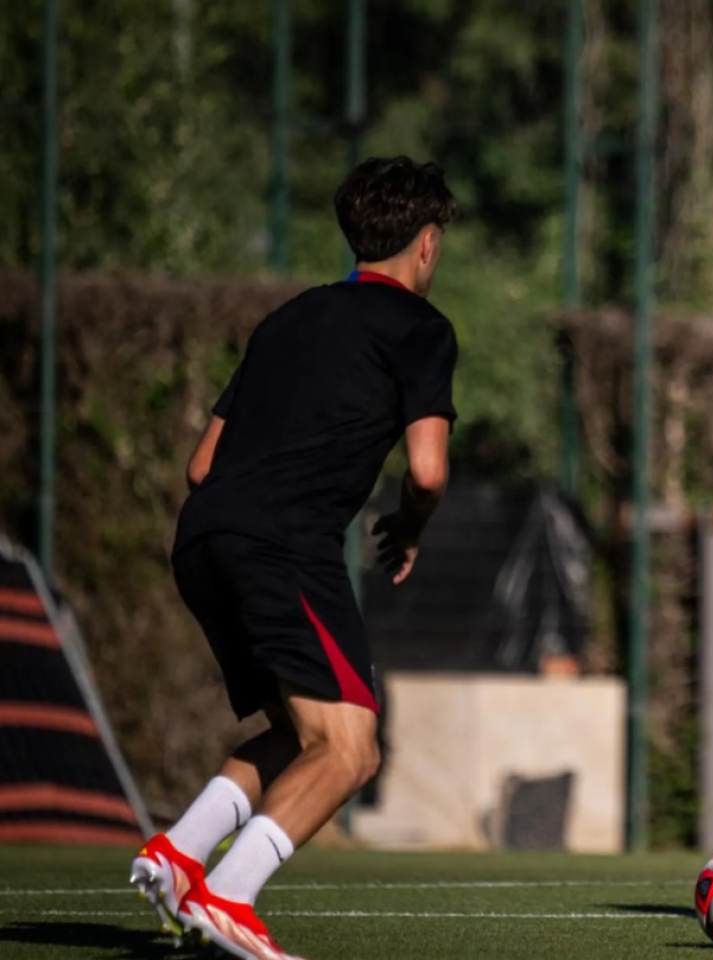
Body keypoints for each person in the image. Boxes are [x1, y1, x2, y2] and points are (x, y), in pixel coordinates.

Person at [128, 157, 462, 960]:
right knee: (350, 751)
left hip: (205, 540)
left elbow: (202, 465)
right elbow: (426, 470)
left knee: (298, 730)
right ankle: (230, 898)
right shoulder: (422, 329)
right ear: (425, 244)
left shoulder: (287, 319)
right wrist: (408, 530)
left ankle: (179, 856)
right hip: (284, 547)